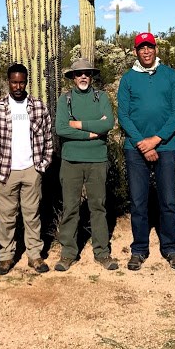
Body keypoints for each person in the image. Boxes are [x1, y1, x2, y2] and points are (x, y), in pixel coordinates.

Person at [117, 32, 175, 271]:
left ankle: (170, 248)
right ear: (135, 52)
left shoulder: (171, 76)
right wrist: (141, 143)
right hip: (135, 149)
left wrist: (155, 140)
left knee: (167, 200)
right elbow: (123, 115)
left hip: (166, 146)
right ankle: (139, 249)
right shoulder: (128, 79)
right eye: (141, 48)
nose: (146, 52)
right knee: (138, 201)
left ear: (156, 49)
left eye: (150, 47)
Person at [0, 63, 54, 274]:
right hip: (7, 170)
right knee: (6, 216)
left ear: (27, 82)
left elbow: (49, 138)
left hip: (31, 169)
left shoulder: (38, 107)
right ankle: (6, 256)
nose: (18, 86)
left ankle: (35, 255)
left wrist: (41, 166)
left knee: (32, 215)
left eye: (21, 82)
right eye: (14, 82)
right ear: (8, 82)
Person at [54, 58, 117, 271]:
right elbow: (61, 128)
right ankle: (68, 252)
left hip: (97, 160)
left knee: (98, 206)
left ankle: (102, 252)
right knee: (71, 206)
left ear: (92, 76)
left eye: (87, 73)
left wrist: (78, 125)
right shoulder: (66, 100)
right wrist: (92, 133)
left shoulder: (101, 97)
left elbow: (108, 123)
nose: (83, 77)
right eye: (78, 73)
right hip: (71, 160)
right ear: (72, 77)